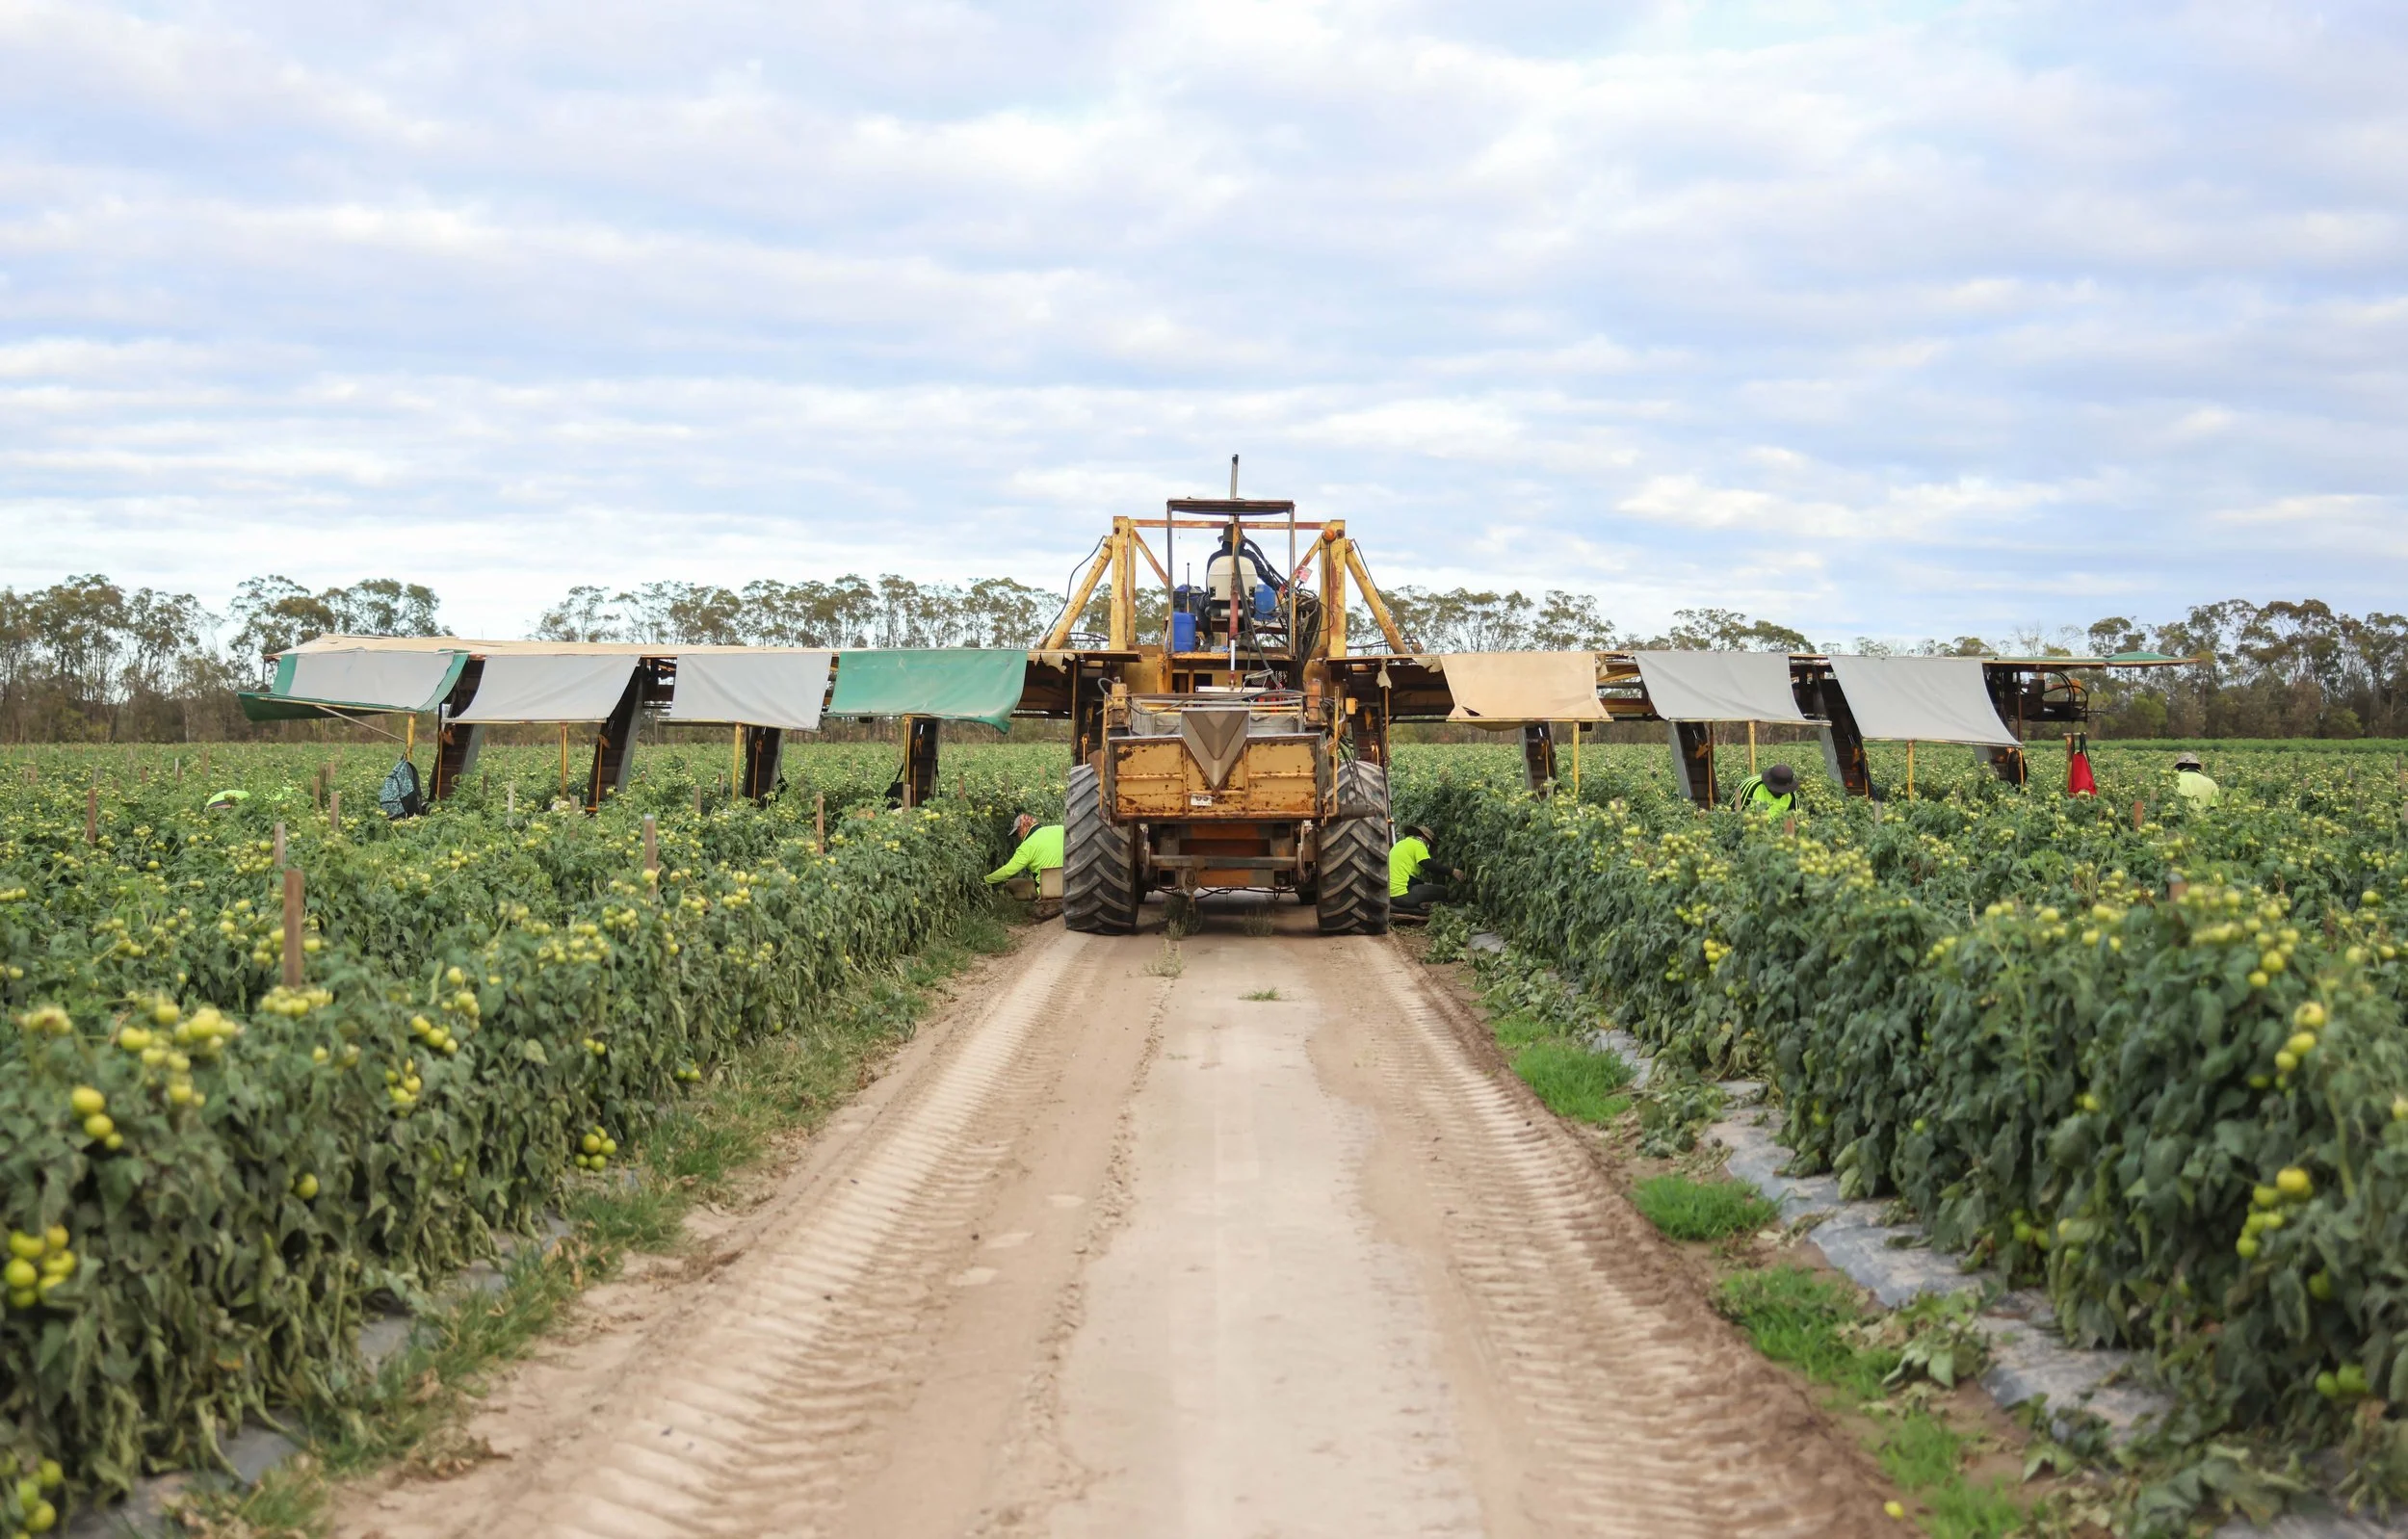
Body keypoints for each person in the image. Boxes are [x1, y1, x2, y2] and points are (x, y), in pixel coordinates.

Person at [986, 813, 1065, 897]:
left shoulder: (1026, 847)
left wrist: (986, 880)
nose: (1018, 837)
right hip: (1070, 884)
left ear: (1022, 828)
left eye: (1017, 833)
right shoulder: (1060, 829)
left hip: (1048, 891)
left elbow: (1008, 871)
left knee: (1012, 884)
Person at [1390, 824, 1461, 915]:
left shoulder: (1402, 844)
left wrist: (1423, 884)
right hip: (1403, 896)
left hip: (1392, 895)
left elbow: (1405, 877)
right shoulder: (1418, 844)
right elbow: (1428, 865)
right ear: (1424, 838)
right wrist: (1452, 871)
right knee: (1442, 891)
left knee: (1427, 887)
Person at [1731, 762, 1800, 816]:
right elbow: (1734, 812)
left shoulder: (1792, 794)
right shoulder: (1748, 784)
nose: (1781, 793)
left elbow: (1794, 820)